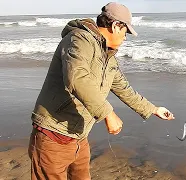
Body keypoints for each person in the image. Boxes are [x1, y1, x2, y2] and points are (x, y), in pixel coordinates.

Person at [28, 2, 175, 180]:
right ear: (115, 26)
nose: (125, 38)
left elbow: (123, 87)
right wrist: (108, 113)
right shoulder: (80, 39)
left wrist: (152, 109)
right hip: (53, 134)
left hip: (79, 137)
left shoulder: (108, 55)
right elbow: (76, 78)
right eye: (126, 32)